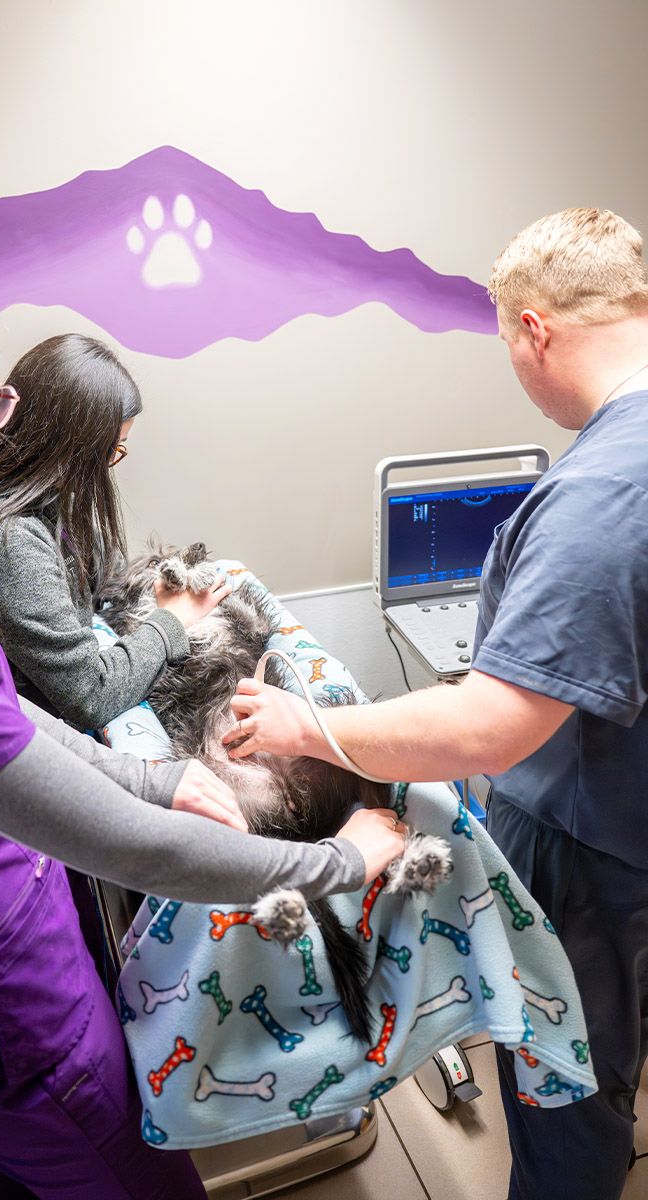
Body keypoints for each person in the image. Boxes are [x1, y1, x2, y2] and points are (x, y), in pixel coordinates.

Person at [0, 262, 411, 1200]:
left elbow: (17, 725)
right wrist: (342, 862)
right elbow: (140, 853)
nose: (1, 423)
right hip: (3, 1014)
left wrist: (151, 780)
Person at [224, 208, 648, 1200]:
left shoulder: (595, 499)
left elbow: (486, 727)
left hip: (592, 845)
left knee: (566, 1075)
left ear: (532, 330)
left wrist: (306, 727)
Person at [0, 333, 223, 730]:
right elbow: (90, 695)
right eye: (114, 449)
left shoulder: (49, 502)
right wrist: (171, 622)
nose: (115, 461)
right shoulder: (11, 544)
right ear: (72, 447)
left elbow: (107, 573)